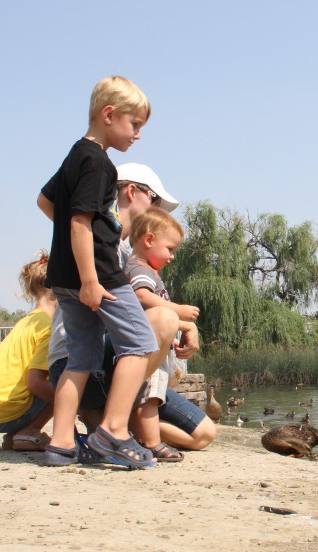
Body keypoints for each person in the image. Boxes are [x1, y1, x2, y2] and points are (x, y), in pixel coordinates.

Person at [46, 162, 214, 462]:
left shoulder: (131, 253)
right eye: (154, 200)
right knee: (162, 320)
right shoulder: (100, 248)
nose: (158, 211)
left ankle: (112, 422)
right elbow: (139, 307)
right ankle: (113, 427)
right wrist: (180, 320)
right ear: (131, 191)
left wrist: (188, 324)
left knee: (203, 434)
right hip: (88, 366)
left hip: (118, 364)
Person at [36, 75, 162, 468]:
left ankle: (60, 443)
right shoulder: (100, 164)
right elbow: (79, 223)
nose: (137, 135)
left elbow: (45, 201)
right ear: (109, 115)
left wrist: (73, 253)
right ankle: (113, 431)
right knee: (140, 343)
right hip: (101, 276)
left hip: (64, 277)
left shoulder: (74, 155)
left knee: (81, 359)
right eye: (134, 125)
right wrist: (90, 277)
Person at [124, 206, 200, 461]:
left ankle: (143, 436)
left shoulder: (146, 269)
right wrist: (177, 311)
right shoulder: (140, 269)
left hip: (153, 348)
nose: (172, 257)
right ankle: (152, 442)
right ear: (148, 240)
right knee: (150, 396)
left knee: (150, 396)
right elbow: (141, 296)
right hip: (148, 349)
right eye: (170, 249)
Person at [0, 251, 55, 451]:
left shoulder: (27, 322)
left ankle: (16, 435)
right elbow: (35, 383)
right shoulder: (47, 327)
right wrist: (73, 405)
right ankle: (30, 432)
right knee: (67, 384)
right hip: (8, 411)